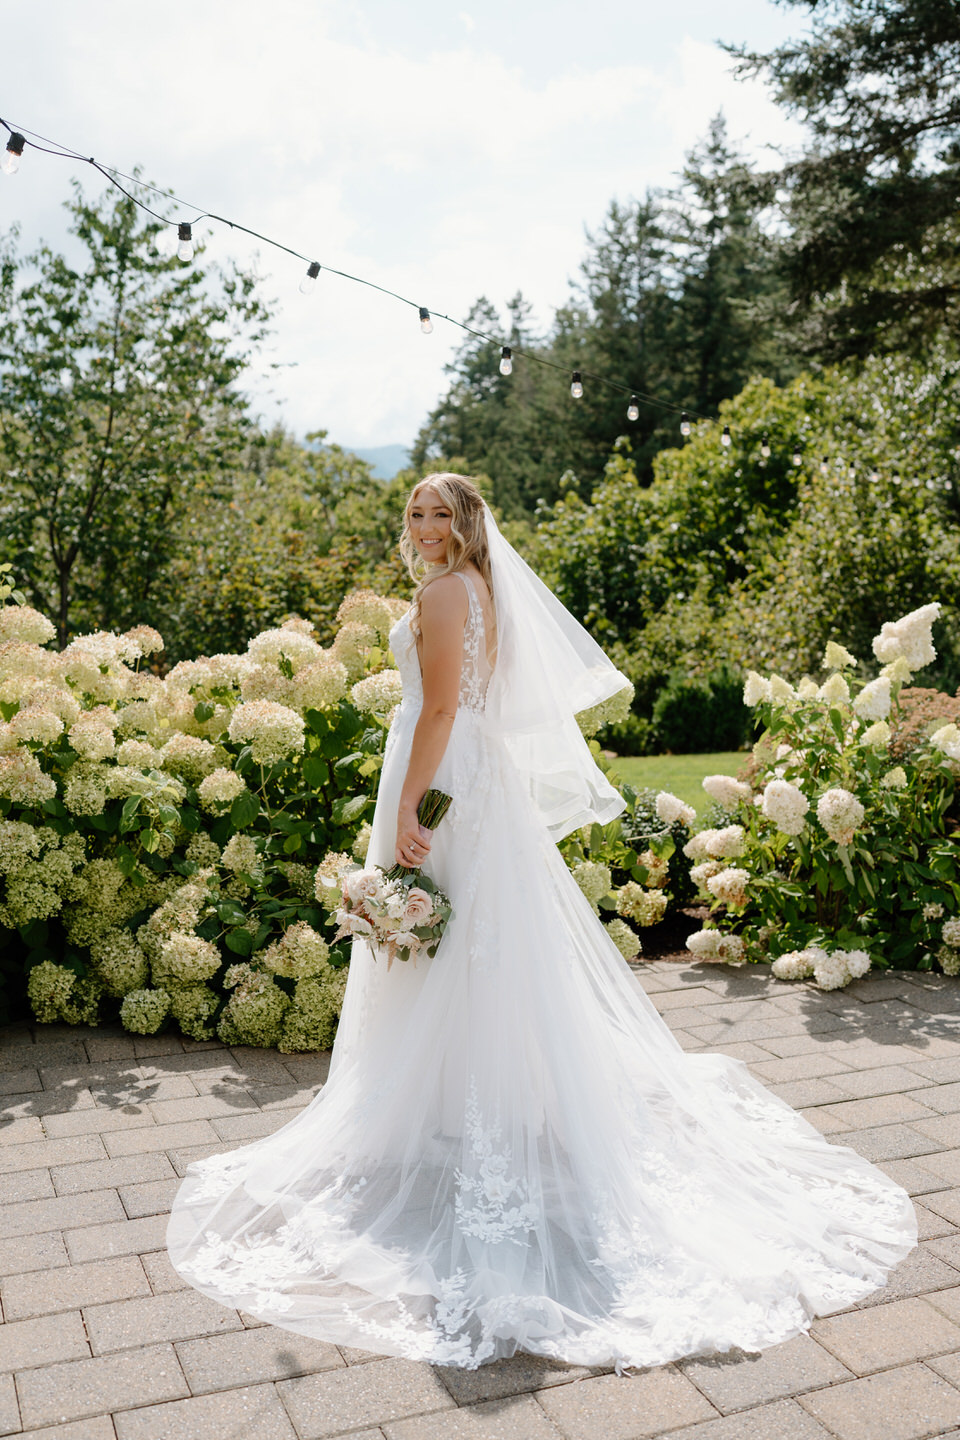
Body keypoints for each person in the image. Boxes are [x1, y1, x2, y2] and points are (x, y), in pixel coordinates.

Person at [166, 472, 917, 1372]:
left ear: (468, 523)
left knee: (447, 941)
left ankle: (453, 1116)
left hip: (442, 778)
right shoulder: (480, 590)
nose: (424, 524)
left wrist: (408, 806)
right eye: (415, 512)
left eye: (440, 512)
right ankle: (472, 1106)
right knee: (476, 946)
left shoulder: (447, 592)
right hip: (472, 776)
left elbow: (440, 707)